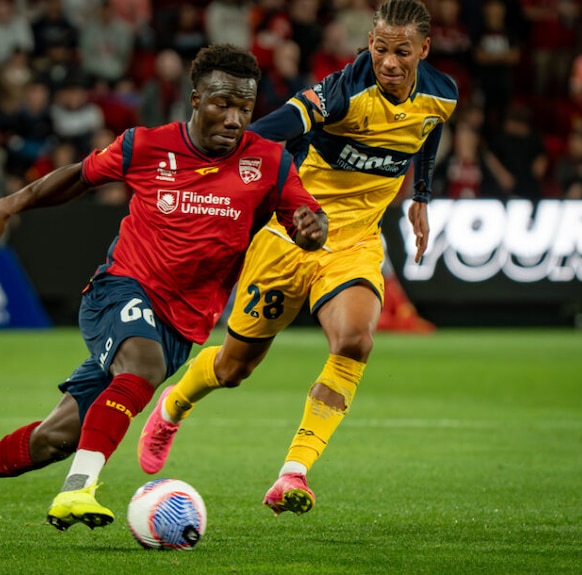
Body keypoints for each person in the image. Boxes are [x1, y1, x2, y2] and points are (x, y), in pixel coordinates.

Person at [0, 44, 328, 532]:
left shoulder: (269, 162)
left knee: (54, 439)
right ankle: (77, 491)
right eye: (222, 104)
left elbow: (307, 219)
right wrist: (7, 206)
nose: (234, 119)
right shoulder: (145, 144)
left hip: (182, 325)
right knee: (140, 365)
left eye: (244, 109)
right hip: (120, 290)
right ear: (195, 98)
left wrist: (314, 230)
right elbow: (76, 179)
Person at [137, 0, 458, 516]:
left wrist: (420, 194)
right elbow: (268, 132)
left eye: (402, 52)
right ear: (368, 45)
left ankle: (294, 473)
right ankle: (172, 406)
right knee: (234, 366)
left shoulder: (443, 95)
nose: (390, 63)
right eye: (380, 49)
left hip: (353, 243)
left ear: (423, 48)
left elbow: (427, 130)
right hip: (288, 238)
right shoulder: (343, 92)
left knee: (354, 341)